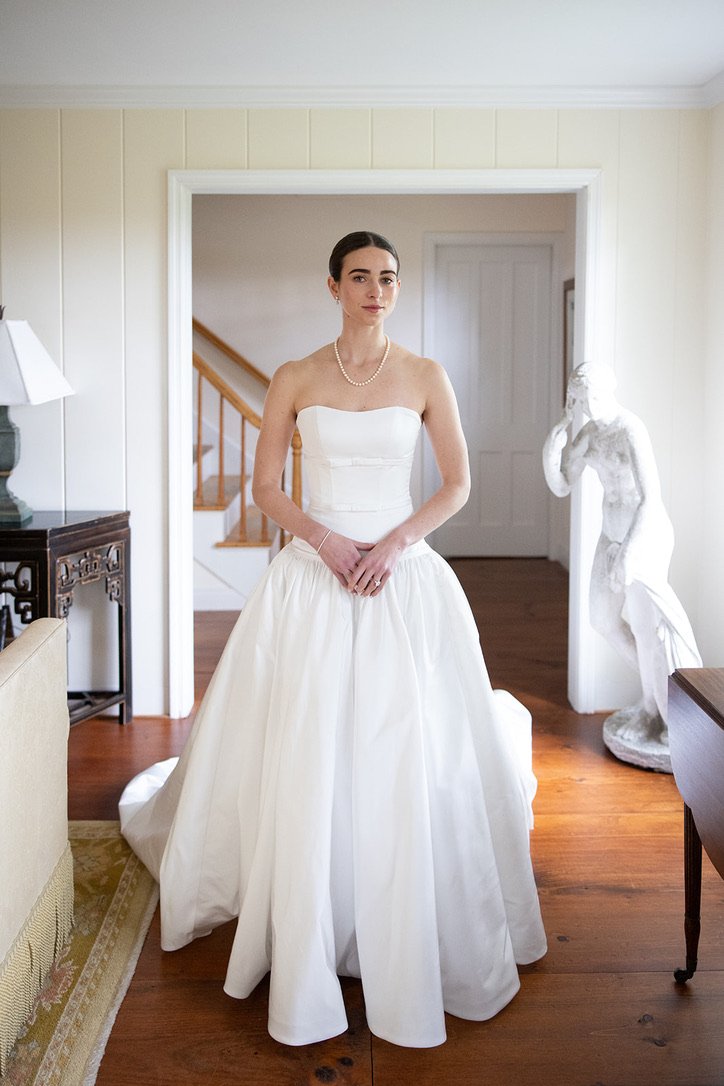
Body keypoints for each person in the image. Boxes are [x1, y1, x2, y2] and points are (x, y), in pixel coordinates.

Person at [120, 230, 547, 1048]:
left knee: (400, 743)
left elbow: (457, 483)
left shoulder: (426, 376)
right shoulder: (295, 376)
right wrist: (325, 544)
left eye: (388, 278)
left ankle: (397, 908)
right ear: (333, 286)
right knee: (310, 741)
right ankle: (306, 905)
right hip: (314, 577)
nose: (376, 291)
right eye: (361, 277)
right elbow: (267, 489)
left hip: (400, 577)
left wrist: (392, 545)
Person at [542, 362, 701, 770]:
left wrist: (631, 551)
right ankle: (655, 697)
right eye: (581, 400)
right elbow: (562, 485)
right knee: (602, 618)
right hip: (611, 538)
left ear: (609, 391)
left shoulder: (630, 429)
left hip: (643, 537)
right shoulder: (589, 435)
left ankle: (662, 714)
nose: (589, 406)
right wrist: (552, 446)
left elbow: (651, 499)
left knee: (651, 632)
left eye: (594, 397)